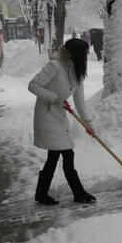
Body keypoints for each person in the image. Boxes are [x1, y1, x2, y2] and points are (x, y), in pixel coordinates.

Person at [28, 38, 96, 205]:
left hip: (59, 116)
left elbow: (80, 101)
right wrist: (56, 98)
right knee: (66, 153)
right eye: (85, 54)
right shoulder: (55, 66)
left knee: (54, 156)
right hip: (47, 114)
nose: (87, 57)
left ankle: (41, 193)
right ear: (76, 53)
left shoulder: (77, 70)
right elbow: (33, 85)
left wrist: (88, 123)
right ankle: (78, 193)